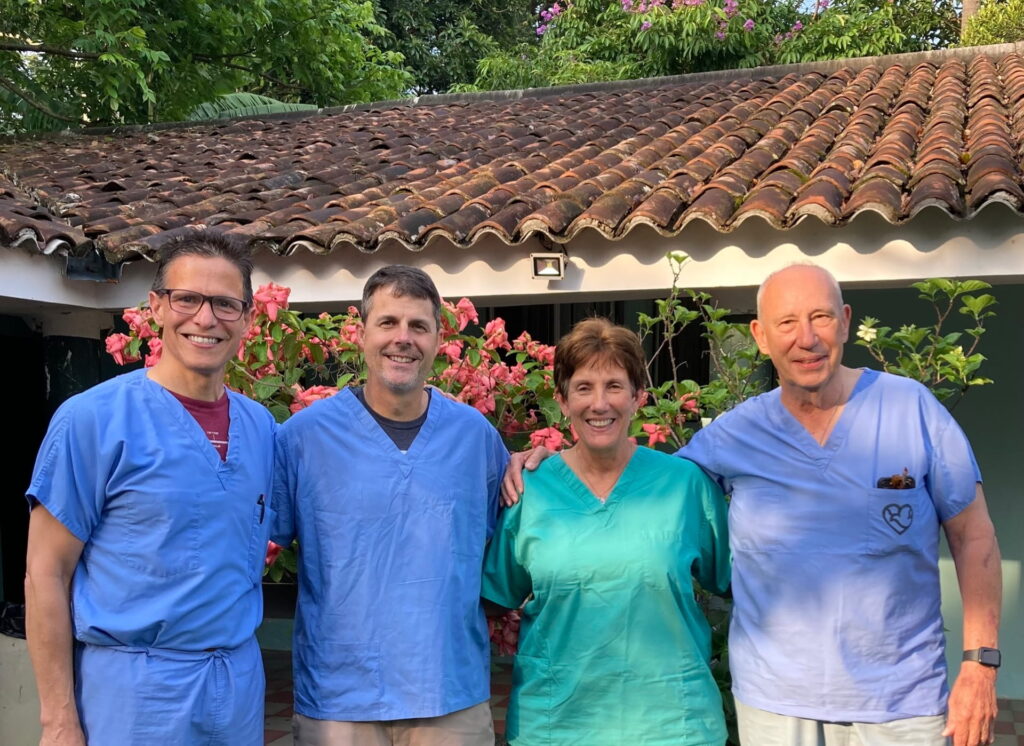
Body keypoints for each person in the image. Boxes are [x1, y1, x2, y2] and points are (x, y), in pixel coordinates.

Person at [504, 264, 1002, 746]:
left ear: (846, 321)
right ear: (762, 336)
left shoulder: (910, 408)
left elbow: (973, 534)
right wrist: (542, 459)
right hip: (775, 703)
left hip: (903, 701)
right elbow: (633, 478)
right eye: (787, 322)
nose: (805, 338)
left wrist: (979, 665)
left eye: (821, 317)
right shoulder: (736, 434)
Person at [24, 231, 276, 745]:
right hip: (134, 694)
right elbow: (44, 573)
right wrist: (58, 719)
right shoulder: (93, 421)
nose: (205, 319)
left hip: (236, 687)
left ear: (248, 318)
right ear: (157, 307)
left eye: (226, 304)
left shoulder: (262, 428)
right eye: (187, 299)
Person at [272, 265, 509, 746]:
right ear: (360, 333)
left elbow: (508, 546)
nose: (403, 338)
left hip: (449, 694)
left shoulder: (475, 438)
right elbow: (249, 543)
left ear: (439, 338)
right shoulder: (303, 438)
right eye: (388, 323)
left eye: (418, 326)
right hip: (339, 700)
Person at [482, 318, 730, 745]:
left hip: (672, 724)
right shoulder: (529, 490)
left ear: (638, 397)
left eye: (615, 386)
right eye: (583, 387)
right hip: (556, 725)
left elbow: (740, 582)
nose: (600, 403)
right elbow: (489, 601)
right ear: (561, 400)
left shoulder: (685, 486)